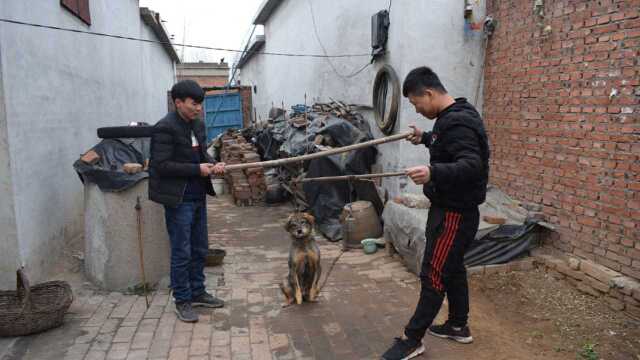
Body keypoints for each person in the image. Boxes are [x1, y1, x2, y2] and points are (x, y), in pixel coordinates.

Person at [382, 67, 490, 360]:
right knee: (452, 268)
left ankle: (411, 339)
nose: (417, 110)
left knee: (434, 273)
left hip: (453, 215)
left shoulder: (458, 123)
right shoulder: (455, 115)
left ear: (428, 93)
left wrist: (432, 172)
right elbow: (451, 145)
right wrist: (426, 138)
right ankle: (458, 325)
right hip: (454, 210)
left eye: (416, 103)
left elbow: (472, 165)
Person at [149, 80, 226, 323]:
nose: (199, 109)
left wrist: (214, 165)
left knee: (200, 248)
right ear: (178, 102)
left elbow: (201, 155)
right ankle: (182, 300)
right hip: (178, 198)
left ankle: (198, 292)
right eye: (194, 104)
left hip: (197, 195)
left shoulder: (198, 125)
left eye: (200, 104)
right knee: (181, 251)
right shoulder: (164, 128)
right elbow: (161, 166)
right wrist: (197, 170)